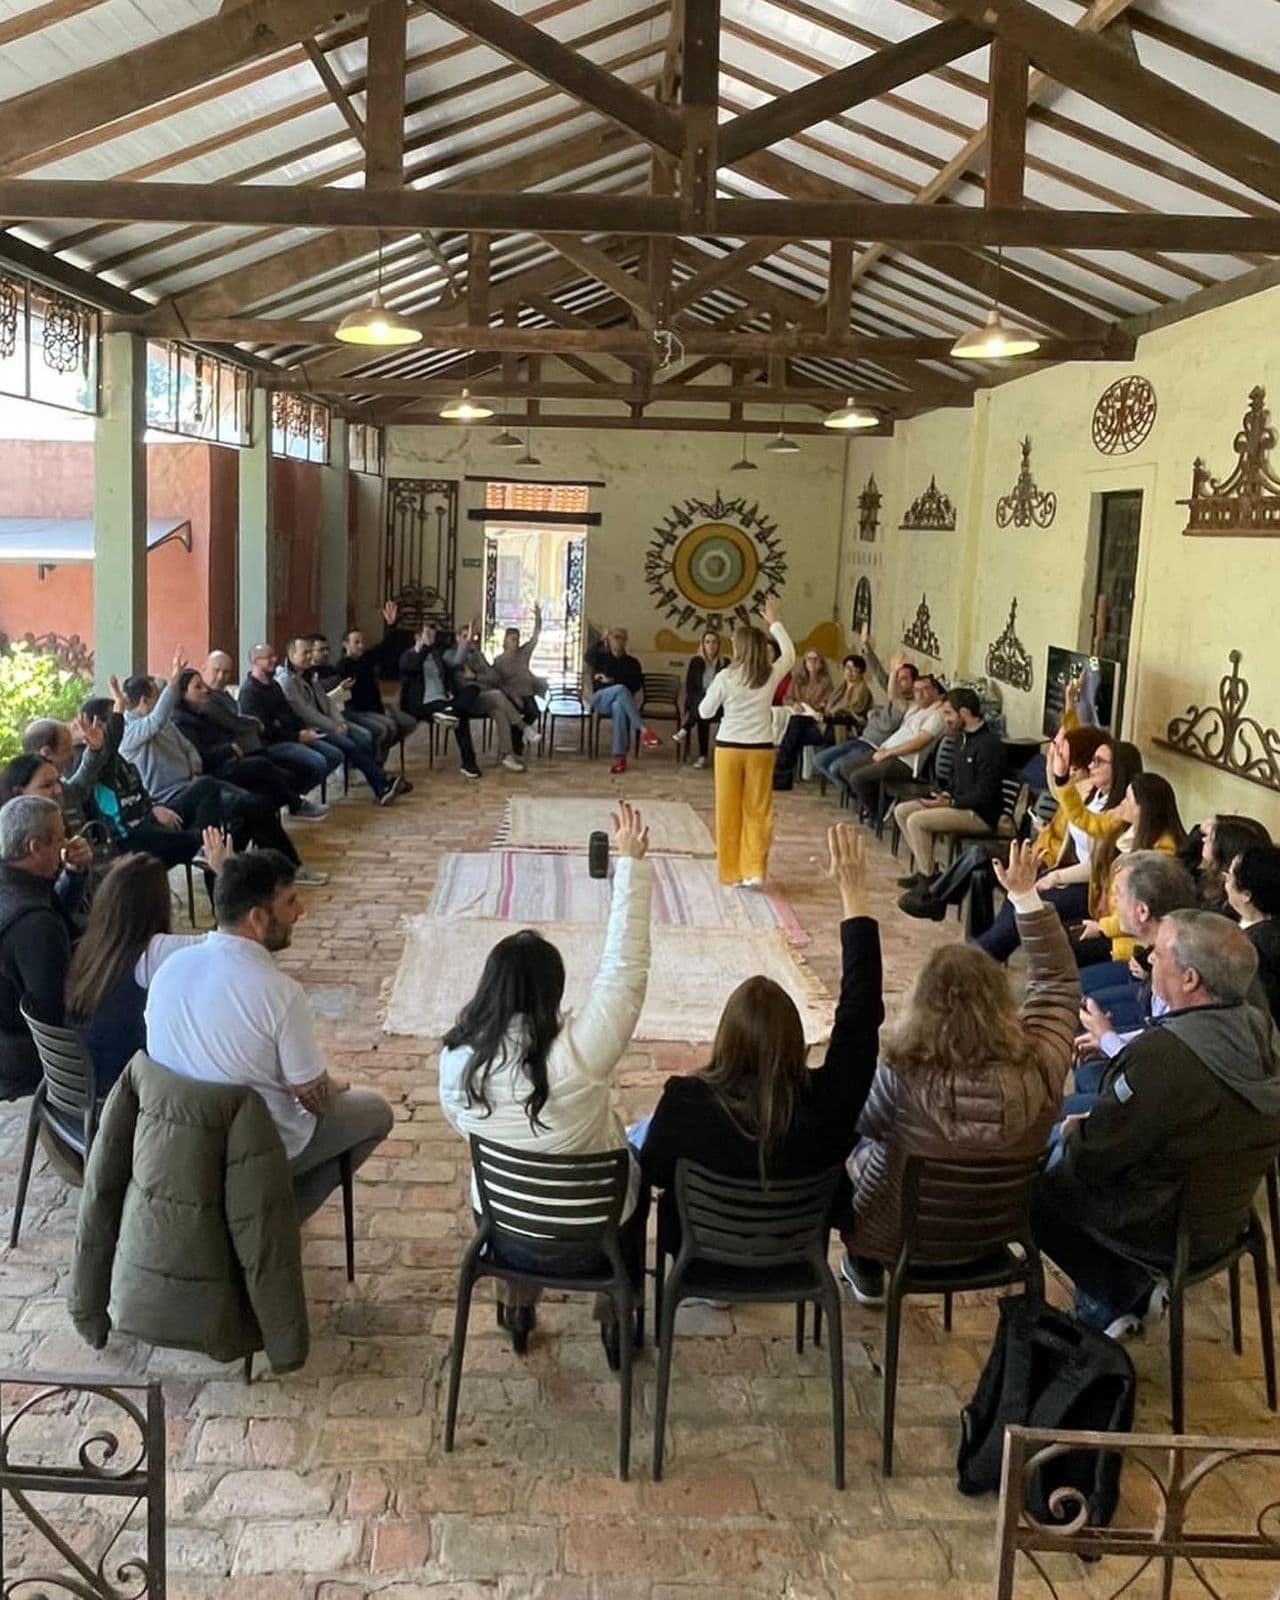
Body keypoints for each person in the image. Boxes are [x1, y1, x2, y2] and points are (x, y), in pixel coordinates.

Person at [437, 801, 653, 1363]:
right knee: (637, 1169)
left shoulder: (457, 1061)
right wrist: (630, 866)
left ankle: (517, 1303)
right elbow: (624, 970)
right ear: (554, 992)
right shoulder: (580, 1054)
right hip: (596, 1239)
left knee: (507, 1171)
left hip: (505, 1232)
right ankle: (617, 1316)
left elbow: (464, 1126)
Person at [840, 841, 1079, 1305]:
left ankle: (864, 1267)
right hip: (995, 1232)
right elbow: (1058, 983)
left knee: (862, 1146)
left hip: (899, 1239)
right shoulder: (1043, 1064)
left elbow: (862, 1124)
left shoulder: (902, 1071)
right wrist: (1025, 898)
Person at [1034, 910, 1280, 1338]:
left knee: (1032, 1185)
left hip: (1158, 1220)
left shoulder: (1163, 1058)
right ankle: (1110, 1300)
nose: (1148, 959)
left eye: (1159, 954)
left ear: (1190, 979)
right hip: (1225, 1215)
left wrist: (1077, 1132)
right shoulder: (1262, 1029)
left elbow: (1093, 1158)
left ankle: (1119, 1292)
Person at [640, 823, 883, 1237]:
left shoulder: (685, 1103)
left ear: (726, 1038)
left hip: (698, 1261)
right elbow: (860, 1016)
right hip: (795, 1260)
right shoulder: (829, 1102)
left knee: (638, 1134)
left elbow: (654, 1171)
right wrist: (854, 895)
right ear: (795, 1041)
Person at [145, 850, 394, 1223]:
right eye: (290, 902)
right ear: (258, 918)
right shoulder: (280, 993)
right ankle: (275, 1223)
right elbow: (314, 1099)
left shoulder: (170, 967)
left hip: (180, 1142)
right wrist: (331, 1085)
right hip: (252, 1148)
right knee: (376, 1113)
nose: (301, 910)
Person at [119, 661, 327, 885]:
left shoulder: (166, 725)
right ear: (145, 701)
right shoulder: (130, 733)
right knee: (233, 801)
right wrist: (175, 681)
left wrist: (193, 766)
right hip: (172, 802)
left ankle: (264, 871)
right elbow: (156, 721)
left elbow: (188, 748)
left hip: (195, 786)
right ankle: (234, 872)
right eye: (157, 696)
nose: (163, 700)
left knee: (257, 804)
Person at [65, 832, 229, 1096]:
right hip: (127, 1097)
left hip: (82, 1090)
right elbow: (228, 943)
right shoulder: (155, 951)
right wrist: (224, 873)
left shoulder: (90, 946)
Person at [976, 738, 1145, 963]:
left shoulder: (1120, 813)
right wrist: (1055, 766)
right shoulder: (1092, 793)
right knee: (1015, 891)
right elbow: (1062, 794)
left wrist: (1056, 877)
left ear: (1119, 769)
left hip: (1091, 887)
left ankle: (985, 956)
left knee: (1031, 900)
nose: (1091, 765)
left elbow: (1098, 866)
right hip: (1068, 869)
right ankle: (987, 949)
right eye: (1092, 760)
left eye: (1099, 761)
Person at [696, 598, 794, 888]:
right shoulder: (770, 675)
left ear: (738, 648)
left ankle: (732, 871)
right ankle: (754, 870)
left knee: (728, 810)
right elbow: (790, 654)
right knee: (757, 810)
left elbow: (704, 712)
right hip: (760, 749)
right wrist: (774, 621)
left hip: (728, 748)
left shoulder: (725, 677)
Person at [0, 795, 90, 1098]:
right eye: (61, 837)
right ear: (35, 847)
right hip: (23, 1060)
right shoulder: (36, 926)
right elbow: (53, 1016)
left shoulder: (16, 885)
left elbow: (49, 903)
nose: (67, 843)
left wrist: (73, 874)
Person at [173, 669, 326, 826]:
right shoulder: (183, 722)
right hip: (214, 771)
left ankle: (290, 808)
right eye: (197, 687)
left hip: (232, 758)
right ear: (183, 694)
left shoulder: (203, 711)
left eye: (203, 685)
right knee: (262, 766)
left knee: (285, 774)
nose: (205, 690)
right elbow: (200, 758)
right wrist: (229, 749)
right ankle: (296, 805)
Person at [893, 687, 1005, 889]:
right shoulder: (962, 739)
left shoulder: (989, 745)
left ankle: (928, 879)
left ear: (964, 712)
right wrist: (945, 795)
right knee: (901, 811)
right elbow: (955, 778)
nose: (945, 719)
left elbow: (985, 792)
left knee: (916, 821)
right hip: (957, 804)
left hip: (979, 814)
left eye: (948, 714)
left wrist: (951, 802)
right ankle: (928, 868)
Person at [1071, 773, 1186, 967]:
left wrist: (1101, 928)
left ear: (1144, 810)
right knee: (1056, 934)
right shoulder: (1127, 830)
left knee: (1068, 950)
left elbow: (1140, 914)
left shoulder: (1162, 851)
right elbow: (1087, 821)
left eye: (1128, 799)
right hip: (1110, 920)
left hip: (1130, 938)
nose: (1122, 803)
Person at [200, 650, 328, 817]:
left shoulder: (225, 694)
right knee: (284, 769)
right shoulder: (206, 698)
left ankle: (291, 803)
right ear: (204, 668)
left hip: (251, 747)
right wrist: (256, 723)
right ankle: (295, 804)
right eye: (216, 670)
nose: (220, 677)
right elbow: (233, 722)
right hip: (229, 756)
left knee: (298, 770)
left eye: (226, 672)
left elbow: (284, 714)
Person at [277, 637, 403, 805]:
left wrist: (339, 721)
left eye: (310, 652)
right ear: (291, 654)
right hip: (309, 729)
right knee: (350, 744)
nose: (309, 657)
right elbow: (306, 713)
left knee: (362, 736)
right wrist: (333, 726)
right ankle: (382, 784)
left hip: (327, 722)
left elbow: (326, 701)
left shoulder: (309, 673)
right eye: (304, 653)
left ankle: (381, 783)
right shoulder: (286, 681)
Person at [831, 672, 946, 816]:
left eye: (925, 689)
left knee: (857, 778)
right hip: (887, 753)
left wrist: (888, 752)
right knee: (845, 768)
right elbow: (894, 697)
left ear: (935, 691)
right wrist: (894, 672)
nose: (920, 694)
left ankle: (878, 812)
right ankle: (875, 803)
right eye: (917, 690)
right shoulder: (915, 708)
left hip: (905, 762)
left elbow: (919, 742)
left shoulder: (937, 714)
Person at [237, 644, 344, 794]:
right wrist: (296, 736)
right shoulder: (249, 692)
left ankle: (295, 793)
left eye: (275, 655)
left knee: (336, 755)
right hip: (271, 744)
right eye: (269, 657)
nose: (275, 660)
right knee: (319, 762)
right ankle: (292, 797)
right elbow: (264, 729)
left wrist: (303, 729)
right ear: (256, 661)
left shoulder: (274, 685)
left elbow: (289, 713)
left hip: (291, 736)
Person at [813, 636, 916, 790]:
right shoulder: (894, 696)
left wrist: (894, 671)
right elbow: (879, 673)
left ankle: (856, 794)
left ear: (913, 684)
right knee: (819, 760)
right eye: (897, 678)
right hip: (862, 739)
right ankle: (852, 792)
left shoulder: (906, 704)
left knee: (835, 768)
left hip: (873, 746)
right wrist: (866, 645)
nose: (898, 682)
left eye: (904, 679)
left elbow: (892, 695)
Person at [397, 621, 480, 780]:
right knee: (461, 718)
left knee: (473, 689)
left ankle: (450, 711)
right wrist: (424, 648)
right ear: (417, 637)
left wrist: (467, 641)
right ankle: (469, 763)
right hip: (423, 703)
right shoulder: (407, 656)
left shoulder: (436, 655)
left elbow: (456, 662)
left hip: (444, 699)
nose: (431, 639)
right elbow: (413, 667)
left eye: (433, 636)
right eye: (427, 635)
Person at [446, 621, 527, 773]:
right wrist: (481, 678)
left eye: (471, 637)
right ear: (457, 638)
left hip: (483, 697)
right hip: (464, 702)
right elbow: (457, 664)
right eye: (465, 636)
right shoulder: (450, 655)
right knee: (497, 695)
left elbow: (494, 676)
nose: (469, 640)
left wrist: (475, 676)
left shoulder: (478, 655)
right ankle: (523, 727)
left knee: (499, 711)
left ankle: (507, 755)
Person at [336, 614, 418, 761]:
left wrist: (391, 626)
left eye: (362, 642)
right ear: (345, 644)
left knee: (409, 723)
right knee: (388, 727)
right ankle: (375, 761)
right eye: (356, 642)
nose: (361, 645)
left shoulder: (366, 658)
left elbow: (384, 647)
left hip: (377, 707)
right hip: (358, 711)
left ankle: (380, 753)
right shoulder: (343, 666)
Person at [585, 626, 661, 775]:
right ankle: (644, 730)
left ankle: (619, 757)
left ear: (626, 641)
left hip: (621, 703)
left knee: (619, 705)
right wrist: (601, 641)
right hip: (600, 699)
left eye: (622, 638)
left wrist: (612, 680)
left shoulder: (633, 663)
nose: (619, 641)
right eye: (616, 637)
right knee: (620, 688)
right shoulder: (601, 658)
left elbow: (636, 685)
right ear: (609, 639)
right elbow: (587, 657)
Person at [1225, 845, 1280, 1021]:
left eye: (1230, 876)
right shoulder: (1230, 917)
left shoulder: (1253, 946)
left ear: (1246, 895)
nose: (1225, 880)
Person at [490, 602, 548, 758]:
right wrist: (513, 696)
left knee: (534, 712)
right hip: (511, 695)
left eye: (517, 639)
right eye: (512, 639)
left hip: (527, 692)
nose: (515, 642)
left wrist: (538, 618)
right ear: (506, 641)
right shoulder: (499, 661)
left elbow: (535, 637)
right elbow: (498, 682)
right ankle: (516, 738)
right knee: (511, 713)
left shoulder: (524, 653)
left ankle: (517, 733)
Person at [772, 649, 835, 787]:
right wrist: (794, 704)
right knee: (795, 729)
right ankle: (783, 773)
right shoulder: (797, 679)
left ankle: (781, 770)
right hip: (799, 716)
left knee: (794, 728)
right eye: (809, 659)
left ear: (821, 663)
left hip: (814, 720)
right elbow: (787, 698)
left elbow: (828, 703)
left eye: (815, 659)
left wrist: (816, 707)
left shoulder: (826, 682)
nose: (812, 662)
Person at [1193, 814, 1272, 913]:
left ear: (1226, 848)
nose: (1204, 839)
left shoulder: (1232, 898)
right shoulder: (1206, 875)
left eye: (1212, 838)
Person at [674, 628, 726, 768]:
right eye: (707, 642)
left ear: (718, 645)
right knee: (703, 712)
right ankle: (703, 756)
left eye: (714, 642)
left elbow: (725, 688)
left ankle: (686, 728)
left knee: (705, 709)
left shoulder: (724, 663)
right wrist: (700, 702)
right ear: (702, 644)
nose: (711, 645)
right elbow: (690, 687)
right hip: (698, 701)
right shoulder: (696, 662)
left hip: (719, 705)